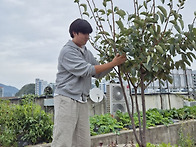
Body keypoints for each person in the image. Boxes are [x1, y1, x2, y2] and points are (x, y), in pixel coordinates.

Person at [51, 18, 126, 147]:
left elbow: (97, 73)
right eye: (84, 33)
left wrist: (114, 64)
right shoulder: (67, 51)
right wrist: (113, 63)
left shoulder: (86, 52)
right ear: (74, 33)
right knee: (62, 140)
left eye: (89, 34)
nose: (87, 37)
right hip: (66, 99)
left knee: (83, 141)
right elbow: (87, 70)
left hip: (82, 100)